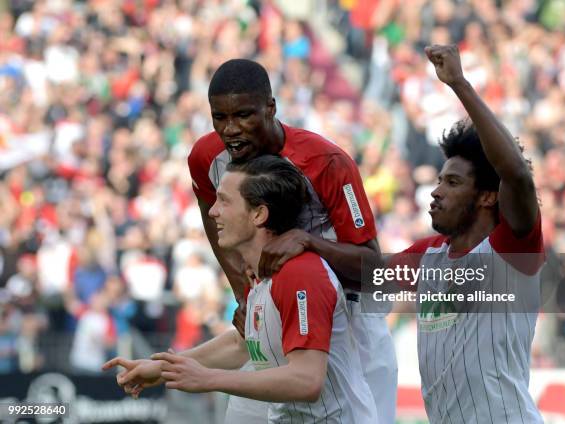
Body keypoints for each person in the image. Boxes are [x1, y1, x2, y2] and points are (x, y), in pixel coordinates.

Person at [186, 59, 396, 423]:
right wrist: (243, 293)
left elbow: (373, 270)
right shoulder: (206, 157)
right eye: (219, 117)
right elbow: (212, 215)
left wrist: (308, 242)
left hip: (350, 321)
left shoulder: (327, 161)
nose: (231, 130)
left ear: (271, 108)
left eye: (244, 115)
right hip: (273, 313)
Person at [103, 155, 378, 423]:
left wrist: (209, 379)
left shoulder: (300, 273)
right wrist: (164, 369)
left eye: (224, 201)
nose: (213, 211)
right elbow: (242, 344)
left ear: (259, 214)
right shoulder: (260, 274)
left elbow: (307, 380)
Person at [388, 45, 545, 423]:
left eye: (453, 182)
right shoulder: (428, 256)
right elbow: (364, 272)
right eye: (439, 179)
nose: (436, 190)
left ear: (488, 196)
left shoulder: (512, 248)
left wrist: (459, 84)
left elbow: (517, 175)